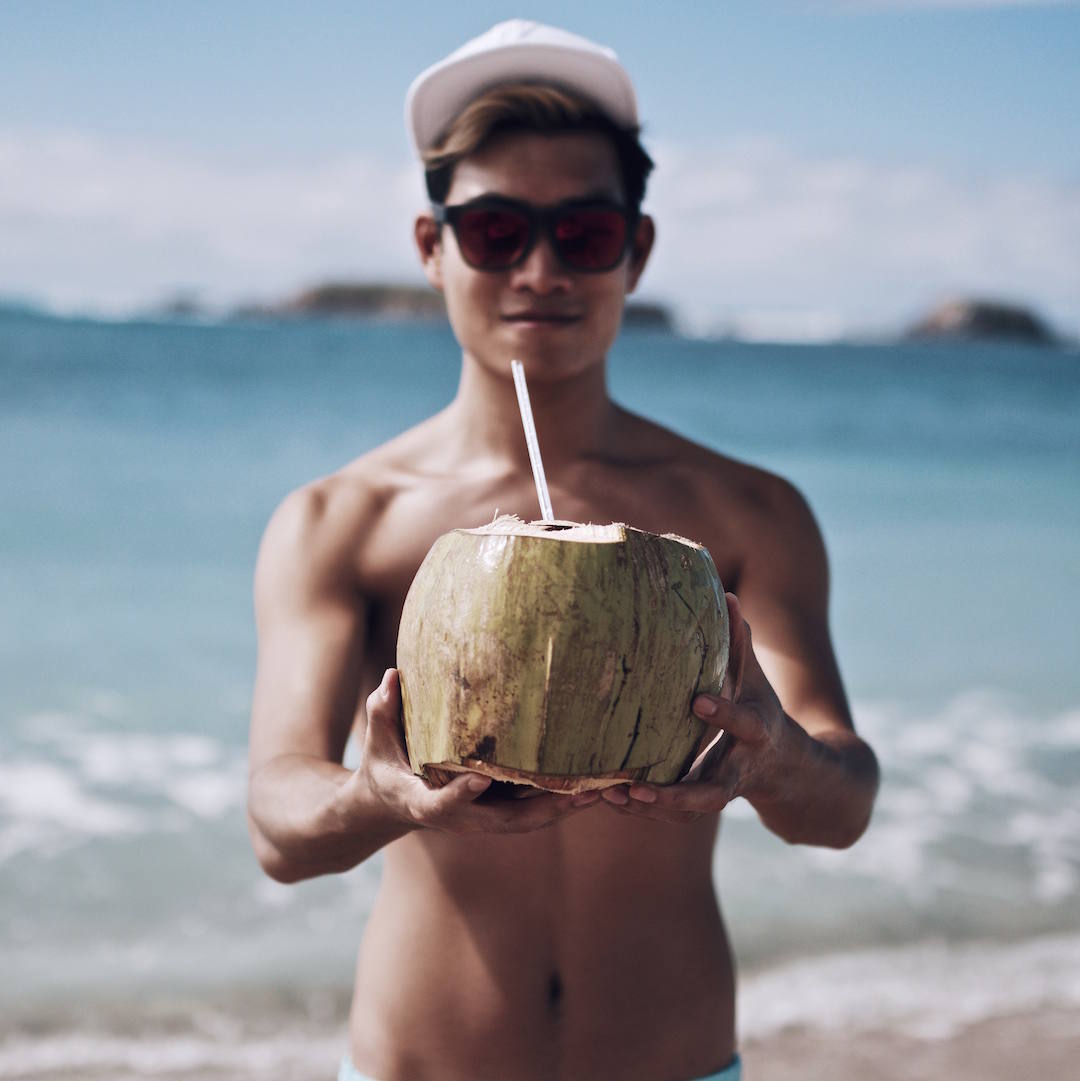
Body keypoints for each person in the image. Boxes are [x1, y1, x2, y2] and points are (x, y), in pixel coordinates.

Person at [246, 20, 879, 1081]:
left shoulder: (744, 514)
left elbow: (843, 806)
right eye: (496, 230)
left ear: (637, 249)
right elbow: (278, 818)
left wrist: (776, 759)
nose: (539, 270)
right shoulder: (341, 520)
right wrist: (376, 796)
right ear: (430, 245)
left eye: (582, 233)